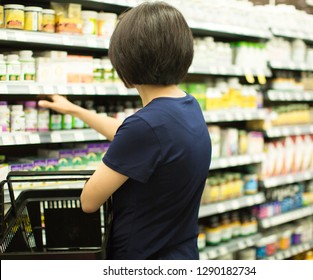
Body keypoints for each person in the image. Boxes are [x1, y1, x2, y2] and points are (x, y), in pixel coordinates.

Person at [38, 1, 211, 260]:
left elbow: (89, 200)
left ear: (127, 61)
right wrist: (75, 110)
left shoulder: (144, 127)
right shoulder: (187, 106)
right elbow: (138, 136)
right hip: (181, 255)